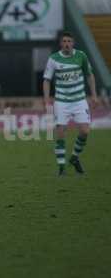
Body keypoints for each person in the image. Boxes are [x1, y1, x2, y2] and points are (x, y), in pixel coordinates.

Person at [43, 31, 98, 176]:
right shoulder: (53, 59)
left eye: (69, 41)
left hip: (80, 100)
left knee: (85, 131)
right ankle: (61, 167)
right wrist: (46, 97)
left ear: (73, 43)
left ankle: (74, 157)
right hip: (61, 101)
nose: (67, 44)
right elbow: (47, 80)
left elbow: (89, 75)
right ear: (61, 44)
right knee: (60, 132)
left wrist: (94, 95)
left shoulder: (81, 56)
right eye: (64, 41)